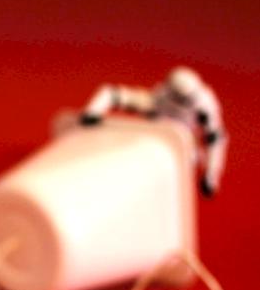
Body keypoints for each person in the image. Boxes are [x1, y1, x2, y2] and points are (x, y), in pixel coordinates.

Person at [79, 66, 229, 197]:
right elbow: (112, 94)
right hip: (154, 125)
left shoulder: (204, 106)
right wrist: (92, 112)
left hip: (182, 141)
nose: (182, 102)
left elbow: (215, 139)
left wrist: (211, 176)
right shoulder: (162, 97)